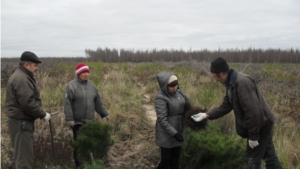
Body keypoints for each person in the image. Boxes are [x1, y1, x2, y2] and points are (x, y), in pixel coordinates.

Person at [191, 57, 283, 169]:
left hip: (260, 125)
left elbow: (254, 112)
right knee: (270, 158)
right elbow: (226, 105)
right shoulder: (231, 83)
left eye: (215, 76)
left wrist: (253, 136)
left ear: (221, 74)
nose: (215, 80)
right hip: (263, 123)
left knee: (251, 161)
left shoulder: (242, 84)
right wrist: (207, 115)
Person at [6, 51, 51, 169]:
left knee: (22, 157)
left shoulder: (22, 76)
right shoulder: (22, 79)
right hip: (21, 123)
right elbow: (28, 103)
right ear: (26, 65)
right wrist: (43, 114)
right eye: (35, 65)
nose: (37, 68)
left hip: (21, 123)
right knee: (24, 160)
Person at [64, 62, 109, 169]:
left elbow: (98, 102)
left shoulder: (92, 85)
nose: (86, 74)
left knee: (89, 143)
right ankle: (78, 165)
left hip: (90, 121)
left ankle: (88, 164)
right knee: (79, 144)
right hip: (77, 122)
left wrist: (104, 113)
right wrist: (70, 119)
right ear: (78, 73)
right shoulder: (71, 86)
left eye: (87, 72)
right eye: (83, 72)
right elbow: (67, 104)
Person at [155, 72, 192, 169]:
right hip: (166, 133)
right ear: (164, 86)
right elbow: (162, 119)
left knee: (175, 160)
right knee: (164, 162)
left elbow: (190, 103)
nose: (175, 87)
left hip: (179, 129)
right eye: (172, 86)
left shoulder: (179, 92)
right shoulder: (160, 98)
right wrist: (174, 133)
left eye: (176, 85)